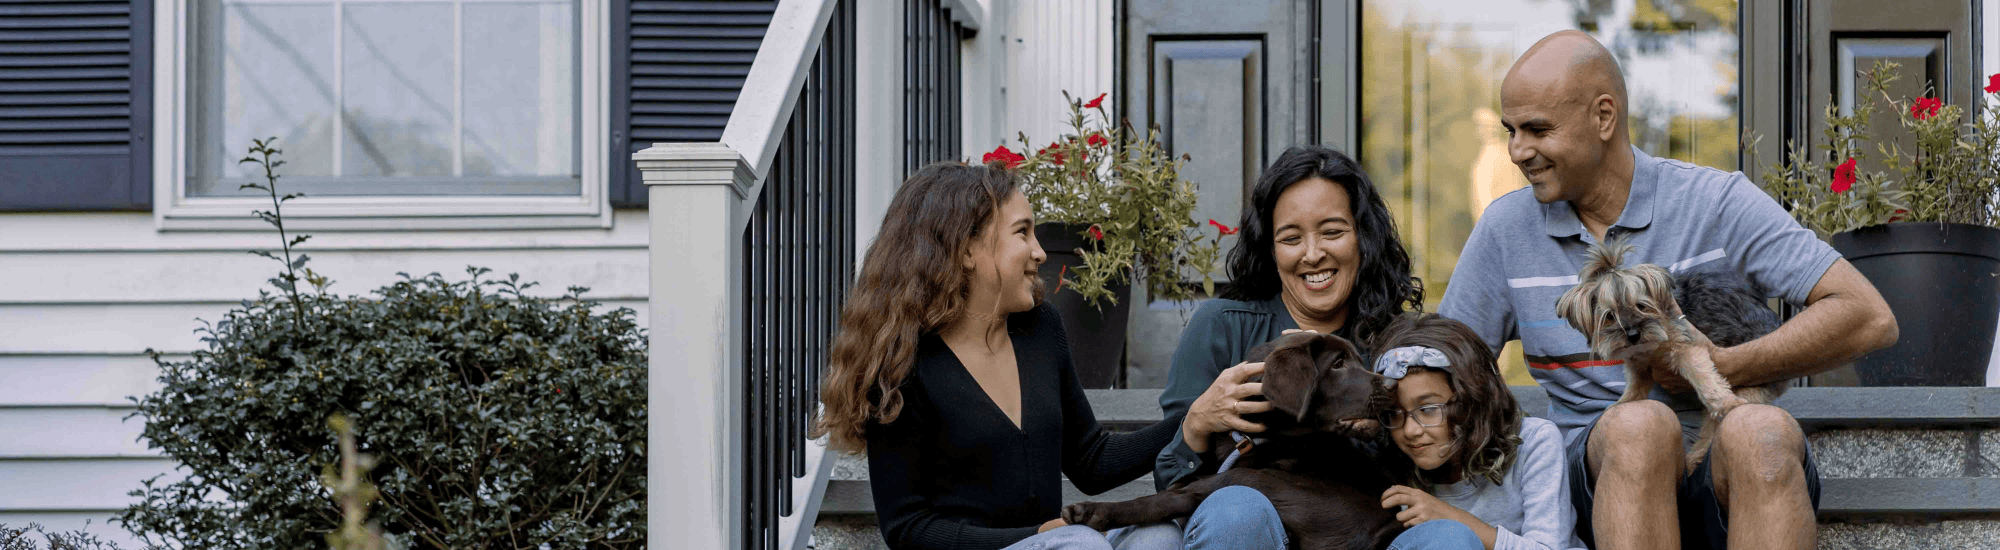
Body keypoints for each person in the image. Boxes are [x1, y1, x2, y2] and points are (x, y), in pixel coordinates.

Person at [1437, 31, 1898, 550]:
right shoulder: (1506, 230)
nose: (1518, 151)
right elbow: (1442, 367)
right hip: (1600, 478)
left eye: (1538, 130)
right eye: (1511, 131)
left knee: (1762, 432)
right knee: (1641, 427)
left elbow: (1867, 316)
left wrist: (1724, 366)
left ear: (1604, 117)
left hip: (1726, 468)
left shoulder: (1715, 201)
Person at [812, 162, 1185, 550]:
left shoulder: (1040, 329)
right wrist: (1039, 536)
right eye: (1022, 232)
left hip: (1059, 545)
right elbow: (908, 528)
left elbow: (1091, 460)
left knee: (1157, 537)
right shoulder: (902, 362)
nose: (1040, 252)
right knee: (1079, 545)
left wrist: (1191, 424)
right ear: (966, 248)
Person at [1154, 145, 1426, 548]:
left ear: (1363, 238)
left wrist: (1374, 434)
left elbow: (1431, 464)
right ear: (1271, 248)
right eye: (1291, 238)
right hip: (1242, 533)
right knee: (1238, 511)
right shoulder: (1222, 327)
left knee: (1447, 536)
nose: (1313, 255)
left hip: (1360, 535)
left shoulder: (1399, 341)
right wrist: (1197, 422)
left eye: (1332, 232)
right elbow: (1171, 483)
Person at [1369, 313, 1585, 550]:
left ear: (1473, 399)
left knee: (1451, 537)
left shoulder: (1534, 443)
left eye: (1428, 409)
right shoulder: (1392, 468)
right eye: (1394, 413)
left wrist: (1450, 517)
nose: (1410, 430)